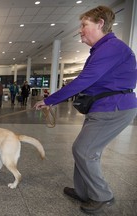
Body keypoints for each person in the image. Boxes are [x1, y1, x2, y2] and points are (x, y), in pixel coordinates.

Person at [34, 5, 137, 214]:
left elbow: (84, 80)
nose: (80, 30)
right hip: (104, 108)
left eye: (84, 25)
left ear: (100, 24)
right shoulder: (103, 50)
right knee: (85, 149)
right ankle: (83, 191)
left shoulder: (112, 48)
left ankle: (102, 196)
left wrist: (51, 100)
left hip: (113, 108)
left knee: (84, 150)